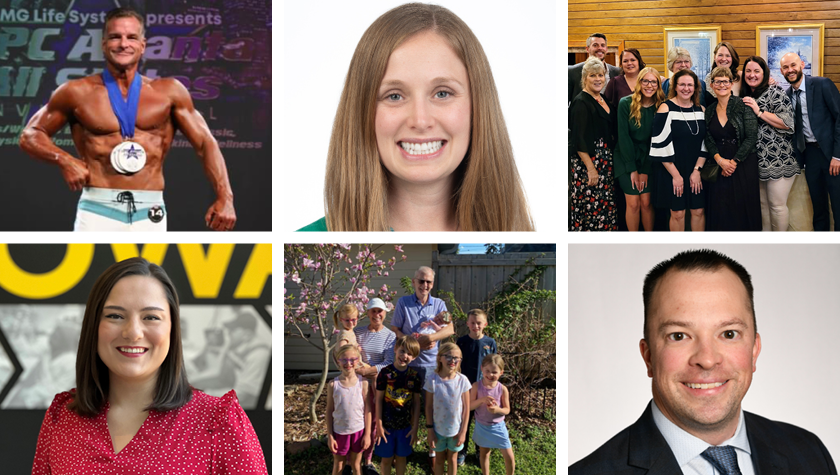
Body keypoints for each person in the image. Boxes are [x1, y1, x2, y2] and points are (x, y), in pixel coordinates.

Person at [569, 249, 837, 475]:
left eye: (728, 334)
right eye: (679, 336)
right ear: (648, 356)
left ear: (754, 350)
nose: (707, 359)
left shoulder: (810, 454)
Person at [296, 3, 533, 232]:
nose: (420, 120)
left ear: (478, 107)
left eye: (442, 93)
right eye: (394, 96)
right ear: (362, 111)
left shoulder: (521, 237)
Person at [31, 257, 266, 473]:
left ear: (172, 329)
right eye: (115, 316)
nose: (133, 332)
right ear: (93, 326)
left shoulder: (218, 423)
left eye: (151, 317)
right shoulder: (62, 417)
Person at [19, 7, 235, 232]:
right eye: (115, 37)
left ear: (143, 45)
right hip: (97, 206)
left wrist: (226, 196)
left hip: (150, 209)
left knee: (148, 268)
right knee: (97, 268)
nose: (123, 44)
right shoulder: (76, 92)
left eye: (131, 37)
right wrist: (64, 160)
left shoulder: (169, 91)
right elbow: (30, 135)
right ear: (103, 44)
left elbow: (205, 143)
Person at [740, 55, 800, 231]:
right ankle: (766, 243)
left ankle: (780, 245)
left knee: (777, 205)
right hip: (756, 160)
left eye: (757, 71)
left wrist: (759, 112)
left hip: (778, 158)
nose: (752, 75)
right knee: (762, 205)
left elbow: (788, 124)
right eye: (748, 71)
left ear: (764, 73)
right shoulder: (745, 94)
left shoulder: (776, 91)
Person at [782, 52, 840, 232]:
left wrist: (838, 156)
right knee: (818, 205)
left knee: (838, 205)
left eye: (793, 65)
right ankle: (820, 243)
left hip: (832, 154)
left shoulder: (822, 84)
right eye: (785, 67)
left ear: (802, 65)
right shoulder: (787, 94)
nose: (790, 70)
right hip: (810, 155)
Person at [704, 66, 761, 231]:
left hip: (743, 163)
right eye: (718, 81)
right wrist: (720, 160)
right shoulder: (709, 110)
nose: (722, 85)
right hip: (718, 164)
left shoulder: (743, 105)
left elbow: (751, 137)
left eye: (725, 81)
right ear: (712, 85)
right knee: (720, 208)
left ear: (731, 84)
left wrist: (734, 162)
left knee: (742, 207)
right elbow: (708, 138)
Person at [650, 69, 707, 232]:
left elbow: (706, 143)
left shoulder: (701, 110)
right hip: (671, 168)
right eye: (682, 84)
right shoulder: (665, 108)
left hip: (696, 168)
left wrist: (697, 170)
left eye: (690, 85)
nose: (686, 88)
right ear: (675, 86)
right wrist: (676, 175)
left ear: (695, 88)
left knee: (698, 211)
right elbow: (659, 145)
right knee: (678, 213)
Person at [570, 57, 618, 231]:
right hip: (589, 164)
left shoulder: (602, 98)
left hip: (605, 162)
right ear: (584, 78)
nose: (598, 79)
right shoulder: (581, 102)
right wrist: (591, 168)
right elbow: (578, 139)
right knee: (592, 212)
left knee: (604, 208)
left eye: (600, 75)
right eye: (592, 75)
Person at [615, 67, 664, 232]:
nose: (649, 85)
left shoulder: (661, 107)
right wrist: (632, 169)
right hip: (625, 156)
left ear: (658, 85)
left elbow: (656, 141)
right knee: (634, 203)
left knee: (646, 202)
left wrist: (644, 169)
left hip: (649, 158)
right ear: (639, 82)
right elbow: (623, 137)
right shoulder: (625, 103)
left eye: (653, 82)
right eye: (645, 81)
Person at [354, 298, 397, 475]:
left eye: (380, 311)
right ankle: (353, 458)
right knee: (357, 419)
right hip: (357, 384)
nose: (376, 315)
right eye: (373, 311)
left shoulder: (390, 336)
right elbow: (350, 354)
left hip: (378, 385)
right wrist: (361, 371)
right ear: (368, 313)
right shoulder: (358, 332)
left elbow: (388, 362)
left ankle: (368, 460)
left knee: (372, 421)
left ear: (385, 314)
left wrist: (368, 370)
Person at [375, 335, 423, 475]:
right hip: (386, 428)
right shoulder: (384, 373)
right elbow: (378, 399)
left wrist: (415, 427)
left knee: (402, 459)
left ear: (414, 357)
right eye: (402, 351)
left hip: (405, 427)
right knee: (386, 460)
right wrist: (379, 424)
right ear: (395, 349)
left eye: (410, 354)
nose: (405, 356)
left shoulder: (414, 376)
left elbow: (416, 402)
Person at [455, 309, 497, 466]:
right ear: (467, 324)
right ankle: (461, 450)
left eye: (479, 323)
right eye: (472, 322)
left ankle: (480, 451)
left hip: (484, 389)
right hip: (466, 389)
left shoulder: (490, 343)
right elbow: (456, 365)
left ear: (485, 324)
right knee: (464, 419)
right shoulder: (462, 342)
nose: (475, 326)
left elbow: (495, 365)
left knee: (482, 421)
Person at [391, 267, 453, 371]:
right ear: (413, 282)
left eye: (428, 282)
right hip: (407, 362)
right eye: (421, 281)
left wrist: (431, 338)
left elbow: (450, 329)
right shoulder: (403, 302)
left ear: (432, 284)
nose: (425, 285)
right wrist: (413, 343)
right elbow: (395, 329)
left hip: (432, 364)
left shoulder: (439, 304)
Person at [424, 342, 471, 475]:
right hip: (437, 430)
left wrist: (463, 431)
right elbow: (428, 407)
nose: (453, 360)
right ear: (440, 358)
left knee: (452, 459)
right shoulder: (432, 380)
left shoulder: (463, 380)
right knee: (439, 460)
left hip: (456, 431)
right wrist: (430, 430)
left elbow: (467, 408)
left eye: (457, 358)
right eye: (448, 356)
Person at [327, 345, 372, 475]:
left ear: (358, 360)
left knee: (356, 464)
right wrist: (330, 436)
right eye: (344, 360)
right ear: (338, 360)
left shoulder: (363, 383)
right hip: (339, 432)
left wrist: (367, 434)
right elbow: (329, 411)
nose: (348, 363)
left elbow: (367, 410)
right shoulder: (333, 385)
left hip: (358, 431)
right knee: (339, 464)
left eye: (353, 359)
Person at [470, 354, 514, 475]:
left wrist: (497, 410)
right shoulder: (476, 386)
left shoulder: (502, 389)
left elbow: (507, 410)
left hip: (498, 426)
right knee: (484, 453)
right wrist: (482, 400)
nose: (490, 375)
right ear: (481, 369)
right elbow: (469, 407)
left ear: (501, 372)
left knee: (509, 456)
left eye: (494, 372)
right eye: (487, 371)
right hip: (482, 426)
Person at [569, 33, 623, 107]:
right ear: (587, 49)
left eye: (603, 45)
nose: (600, 48)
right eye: (595, 45)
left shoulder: (617, 72)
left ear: (606, 49)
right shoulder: (572, 71)